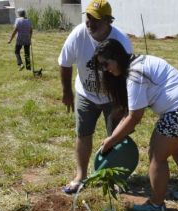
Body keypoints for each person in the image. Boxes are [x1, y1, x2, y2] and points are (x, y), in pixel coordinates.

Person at [91, 38, 178, 211]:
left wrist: (111, 141)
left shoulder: (135, 74)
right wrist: (113, 137)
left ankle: (156, 205)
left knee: (157, 155)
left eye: (105, 64)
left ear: (116, 57)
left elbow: (134, 117)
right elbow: (131, 112)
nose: (105, 70)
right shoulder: (141, 60)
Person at [58, 0, 133, 194]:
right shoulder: (78, 34)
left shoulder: (121, 41)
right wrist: (67, 92)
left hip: (112, 96)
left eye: (96, 19)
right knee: (83, 134)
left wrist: (123, 103)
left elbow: (127, 74)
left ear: (108, 21)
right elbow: (65, 63)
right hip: (86, 93)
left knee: (115, 136)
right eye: (88, 17)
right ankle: (80, 176)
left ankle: (114, 177)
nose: (90, 22)